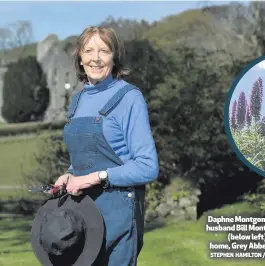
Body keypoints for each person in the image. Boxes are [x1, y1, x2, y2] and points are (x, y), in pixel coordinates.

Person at [53, 26, 159, 266]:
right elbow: (86, 156)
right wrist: (70, 174)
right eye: (88, 50)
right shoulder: (78, 100)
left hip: (118, 214)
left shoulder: (129, 97)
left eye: (104, 50)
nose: (96, 58)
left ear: (114, 57)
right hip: (81, 216)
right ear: (80, 58)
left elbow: (147, 166)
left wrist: (94, 177)